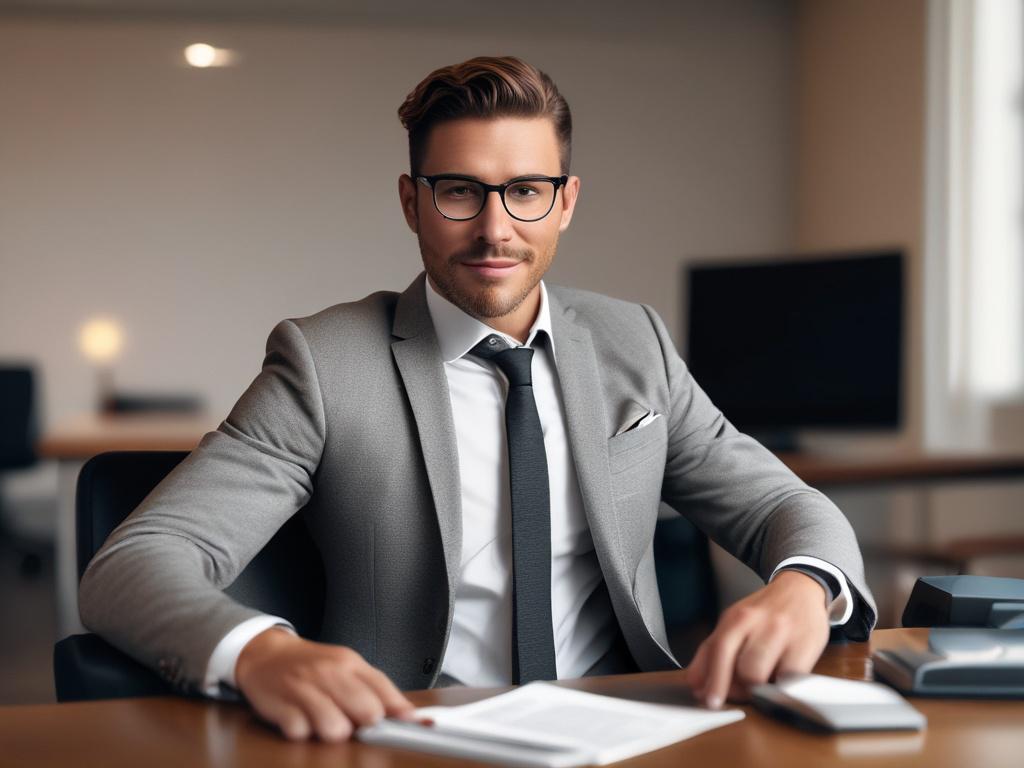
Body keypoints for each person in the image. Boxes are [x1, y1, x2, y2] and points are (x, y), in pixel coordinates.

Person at [80, 56, 876, 742]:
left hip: (630, 726)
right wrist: (264, 653)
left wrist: (804, 588)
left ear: (564, 202)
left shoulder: (634, 342)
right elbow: (133, 566)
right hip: (412, 732)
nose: (495, 229)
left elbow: (784, 506)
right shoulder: (324, 364)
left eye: (526, 190)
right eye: (460, 191)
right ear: (411, 201)